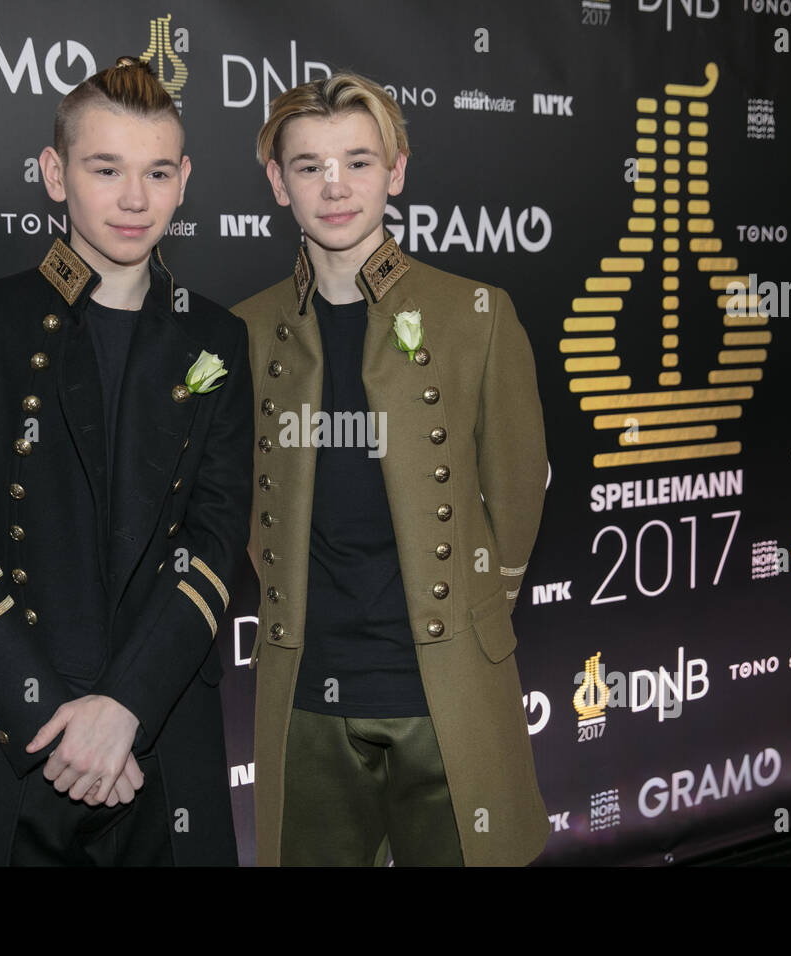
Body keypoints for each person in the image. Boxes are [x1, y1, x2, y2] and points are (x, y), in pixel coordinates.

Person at [0, 57, 251, 866]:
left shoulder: (218, 340)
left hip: (160, 745)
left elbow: (215, 535)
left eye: (157, 172)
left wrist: (125, 706)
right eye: (106, 169)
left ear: (185, 179)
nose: (135, 199)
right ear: (55, 175)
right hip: (4, 740)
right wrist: (52, 720)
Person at [232, 72, 550, 866]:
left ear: (397, 171)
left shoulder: (476, 313)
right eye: (308, 166)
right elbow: (239, 509)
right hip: (307, 698)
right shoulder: (243, 330)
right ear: (277, 182)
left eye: (359, 162)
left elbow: (515, 496)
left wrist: (473, 625)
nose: (334, 186)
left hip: (445, 696)